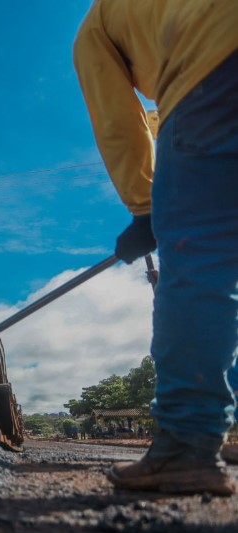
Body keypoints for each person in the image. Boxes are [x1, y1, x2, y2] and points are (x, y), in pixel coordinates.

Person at [74, 0, 237, 496]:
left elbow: (118, 120)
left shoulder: (98, 24)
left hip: (214, 67)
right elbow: (150, 121)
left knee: (199, 260)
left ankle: (187, 445)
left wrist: (145, 208)